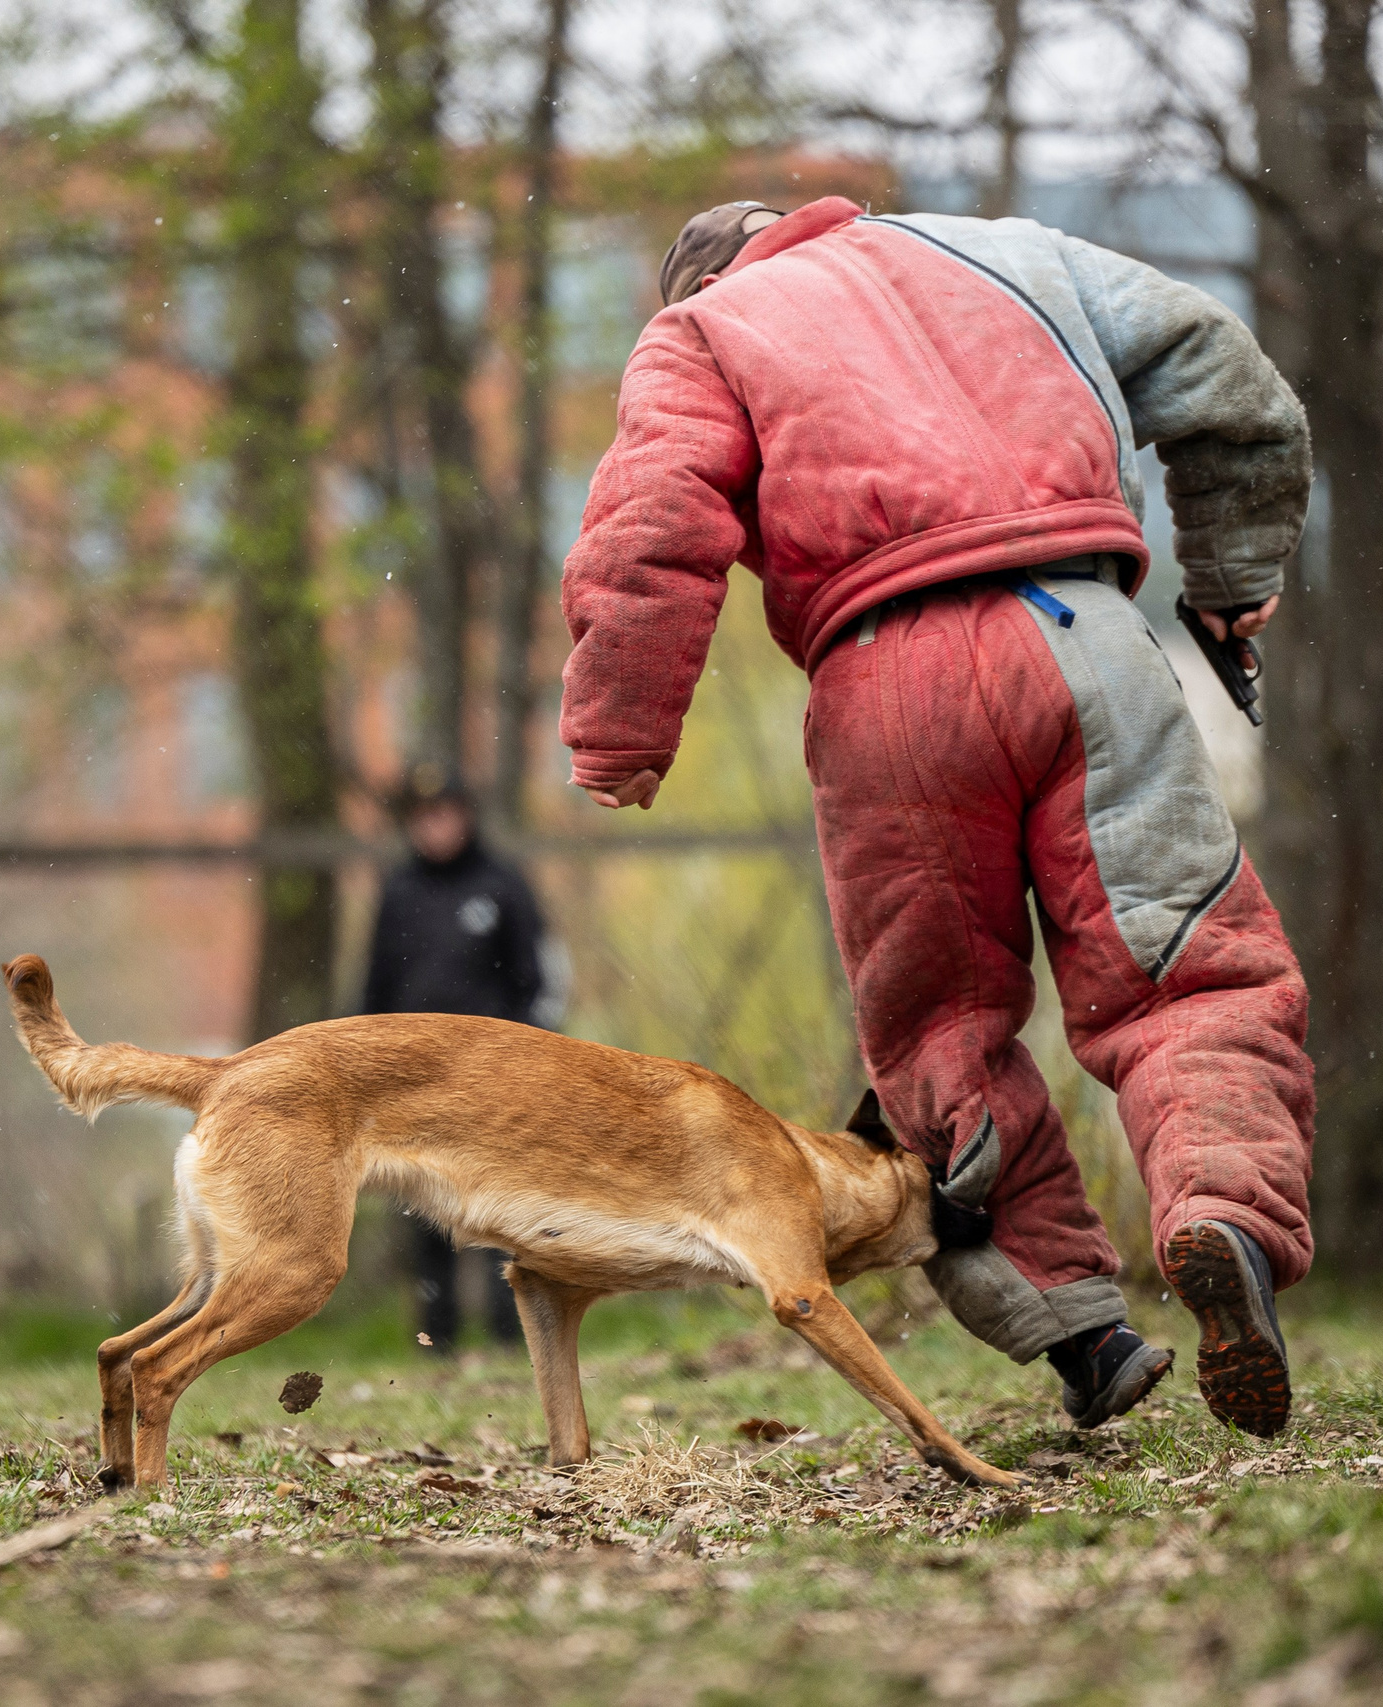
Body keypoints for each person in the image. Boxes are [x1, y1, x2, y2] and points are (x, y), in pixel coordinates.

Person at [557, 197, 1315, 1437]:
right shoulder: (1006, 252)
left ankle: (1080, 1332)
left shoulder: (700, 334)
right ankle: (1219, 1212)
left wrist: (620, 727)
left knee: (943, 1031)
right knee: (1187, 974)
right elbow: (1229, 378)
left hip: (887, 684)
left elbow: (650, 529)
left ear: (691, 281)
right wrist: (1230, 582)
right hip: (1092, 641)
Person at [359, 766, 549, 1352]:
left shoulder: (502, 884)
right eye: (424, 818)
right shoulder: (399, 890)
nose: (435, 829)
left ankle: (506, 1328)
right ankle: (434, 1335)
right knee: (425, 1199)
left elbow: (534, 978)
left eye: (445, 815)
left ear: (466, 816)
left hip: (490, 1071)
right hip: (411, 1076)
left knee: (495, 1197)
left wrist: (521, 1055)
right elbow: (376, 982)